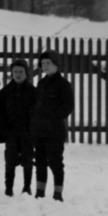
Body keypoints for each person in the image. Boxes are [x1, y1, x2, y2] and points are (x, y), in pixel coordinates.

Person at [30, 50, 74, 202]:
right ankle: (40, 192)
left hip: (54, 131)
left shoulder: (63, 85)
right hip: (39, 131)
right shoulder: (41, 83)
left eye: (48, 63)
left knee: (55, 162)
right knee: (40, 162)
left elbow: (68, 106)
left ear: (57, 65)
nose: (45, 66)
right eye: (43, 63)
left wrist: (53, 118)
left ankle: (57, 193)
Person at [0, 58, 36, 196]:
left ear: (26, 74)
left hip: (27, 132)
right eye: (15, 71)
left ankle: (26, 187)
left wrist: (33, 131)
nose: (18, 74)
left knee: (28, 159)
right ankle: (9, 188)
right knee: (10, 160)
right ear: (11, 73)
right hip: (10, 132)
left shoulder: (32, 92)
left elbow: (36, 113)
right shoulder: (5, 92)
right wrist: (2, 131)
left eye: (21, 71)